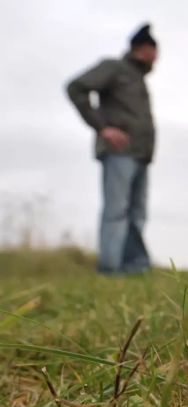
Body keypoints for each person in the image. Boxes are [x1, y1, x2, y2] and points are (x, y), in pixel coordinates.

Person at [66, 24, 158, 274]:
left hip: (140, 155)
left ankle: (135, 266)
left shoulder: (138, 78)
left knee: (137, 213)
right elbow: (76, 87)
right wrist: (102, 128)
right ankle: (110, 268)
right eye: (155, 51)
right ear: (145, 49)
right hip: (120, 153)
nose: (157, 57)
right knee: (116, 211)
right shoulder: (114, 68)